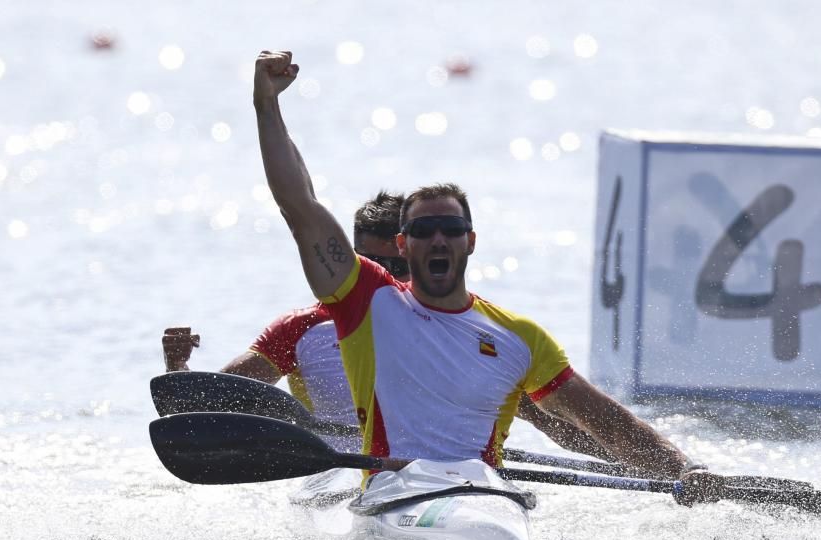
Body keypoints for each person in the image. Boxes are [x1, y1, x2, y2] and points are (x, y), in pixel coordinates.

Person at [253, 50, 723, 502]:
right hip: (391, 493)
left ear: (471, 241)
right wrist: (267, 105)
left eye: (451, 229)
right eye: (423, 231)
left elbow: (603, 420)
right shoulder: (367, 303)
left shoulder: (519, 337)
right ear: (403, 245)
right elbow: (300, 206)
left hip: (484, 500)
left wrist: (683, 469)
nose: (439, 240)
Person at [161, 191, 607, 458]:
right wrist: (177, 370)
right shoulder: (300, 329)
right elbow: (212, 406)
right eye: (372, 265)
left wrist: (629, 459)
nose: (387, 278)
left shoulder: (465, 337)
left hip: (447, 485)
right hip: (339, 478)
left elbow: (555, 425)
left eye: (396, 266)